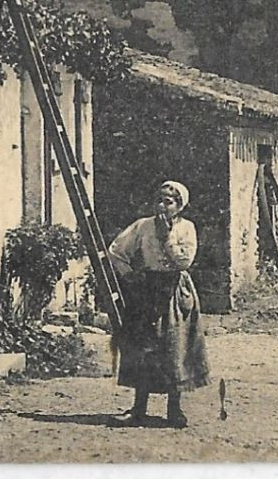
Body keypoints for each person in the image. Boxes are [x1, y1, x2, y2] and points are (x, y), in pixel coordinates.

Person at [107, 180, 210, 427]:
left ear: (179, 206)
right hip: (148, 291)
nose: (162, 205)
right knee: (144, 347)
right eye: (159, 199)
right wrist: (130, 275)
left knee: (175, 347)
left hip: (176, 291)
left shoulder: (187, 229)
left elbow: (184, 262)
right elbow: (115, 251)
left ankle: (174, 409)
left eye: (169, 201)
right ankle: (138, 408)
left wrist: (167, 240)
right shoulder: (143, 226)